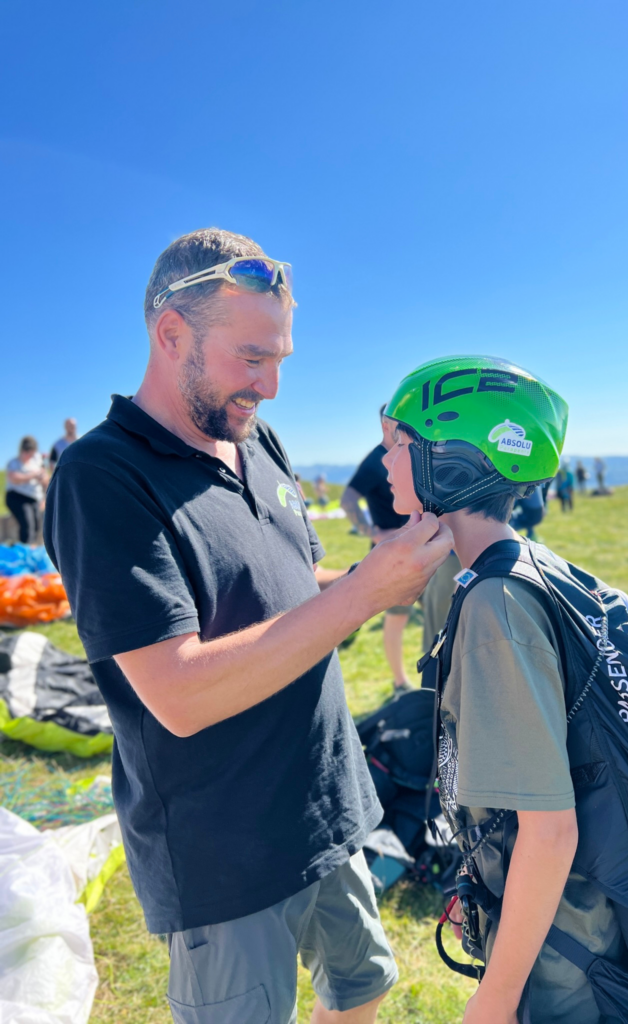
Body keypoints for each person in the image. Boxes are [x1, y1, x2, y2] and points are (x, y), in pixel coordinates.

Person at [44, 228, 453, 1024]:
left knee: (361, 988)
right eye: (250, 358)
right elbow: (179, 692)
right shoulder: (101, 476)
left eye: (280, 361)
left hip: (327, 802)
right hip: (223, 849)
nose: (268, 386)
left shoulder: (255, 439)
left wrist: (411, 567)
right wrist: (368, 590)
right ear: (170, 334)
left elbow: (293, 586)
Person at [382, 356, 609, 1024]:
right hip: (581, 924)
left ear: (448, 462)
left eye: (397, 443)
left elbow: (549, 832)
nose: (385, 461)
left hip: (566, 952)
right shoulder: (533, 564)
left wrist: (497, 997)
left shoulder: (495, 605)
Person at [342, 408, 416, 692]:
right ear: (386, 425)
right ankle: (400, 683)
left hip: (420, 548)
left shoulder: (407, 452)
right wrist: (374, 533)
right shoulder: (376, 461)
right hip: (393, 557)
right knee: (397, 619)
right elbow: (348, 499)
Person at [5, 436, 48, 544]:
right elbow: (14, 478)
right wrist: (33, 475)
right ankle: (24, 550)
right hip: (17, 496)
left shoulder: (37, 462)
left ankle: (30, 548)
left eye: (31, 452)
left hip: (34, 498)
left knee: (37, 525)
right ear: (22, 450)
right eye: (27, 452)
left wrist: (44, 498)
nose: (29, 455)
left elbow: (45, 481)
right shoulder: (14, 463)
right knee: (27, 524)